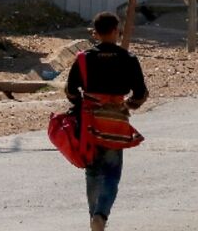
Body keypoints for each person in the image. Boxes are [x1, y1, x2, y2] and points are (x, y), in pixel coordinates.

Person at [66, 12, 149, 231]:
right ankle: (101, 214)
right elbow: (140, 94)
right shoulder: (128, 58)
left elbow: (71, 91)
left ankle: (94, 215)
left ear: (96, 33)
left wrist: (80, 106)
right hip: (115, 123)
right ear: (114, 31)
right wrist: (126, 106)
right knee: (111, 172)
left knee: (92, 170)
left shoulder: (84, 58)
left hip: (89, 122)